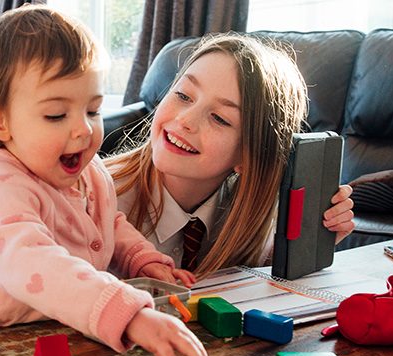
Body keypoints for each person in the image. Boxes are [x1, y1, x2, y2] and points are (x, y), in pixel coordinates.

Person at [0, 5, 215, 356]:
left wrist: (140, 259)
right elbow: (38, 263)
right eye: (57, 115)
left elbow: (110, 221)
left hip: (52, 332)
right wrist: (128, 312)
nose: (83, 130)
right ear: (0, 121)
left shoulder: (91, 173)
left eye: (92, 110)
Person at [106, 33, 355, 283]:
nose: (185, 120)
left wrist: (309, 245)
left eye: (219, 118)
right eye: (183, 95)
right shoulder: (94, 198)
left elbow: (258, 281)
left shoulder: (254, 214)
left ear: (249, 155)